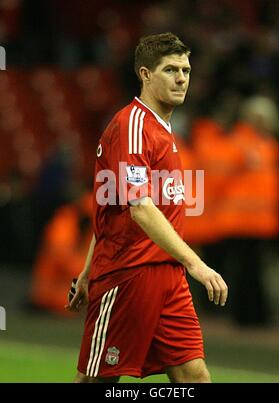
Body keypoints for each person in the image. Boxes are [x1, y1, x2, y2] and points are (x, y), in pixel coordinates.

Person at [65, 32, 228, 383]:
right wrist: (196, 263)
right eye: (171, 70)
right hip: (129, 274)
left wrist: (85, 271)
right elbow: (138, 208)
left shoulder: (164, 130)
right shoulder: (132, 125)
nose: (182, 78)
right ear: (145, 74)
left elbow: (111, 207)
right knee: (97, 380)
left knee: (195, 377)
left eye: (186, 70)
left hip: (168, 276)